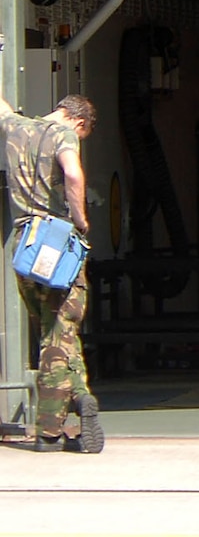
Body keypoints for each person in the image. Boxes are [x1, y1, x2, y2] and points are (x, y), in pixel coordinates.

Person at [1, 90, 101, 453]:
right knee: (60, 332)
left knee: (49, 327)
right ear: (79, 121)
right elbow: (73, 174)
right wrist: (81, 220)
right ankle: (49, 430)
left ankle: (78, 396)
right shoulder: (64, 134)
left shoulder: (15, 127)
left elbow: (2, 107)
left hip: (25, 242)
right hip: (57, 241)